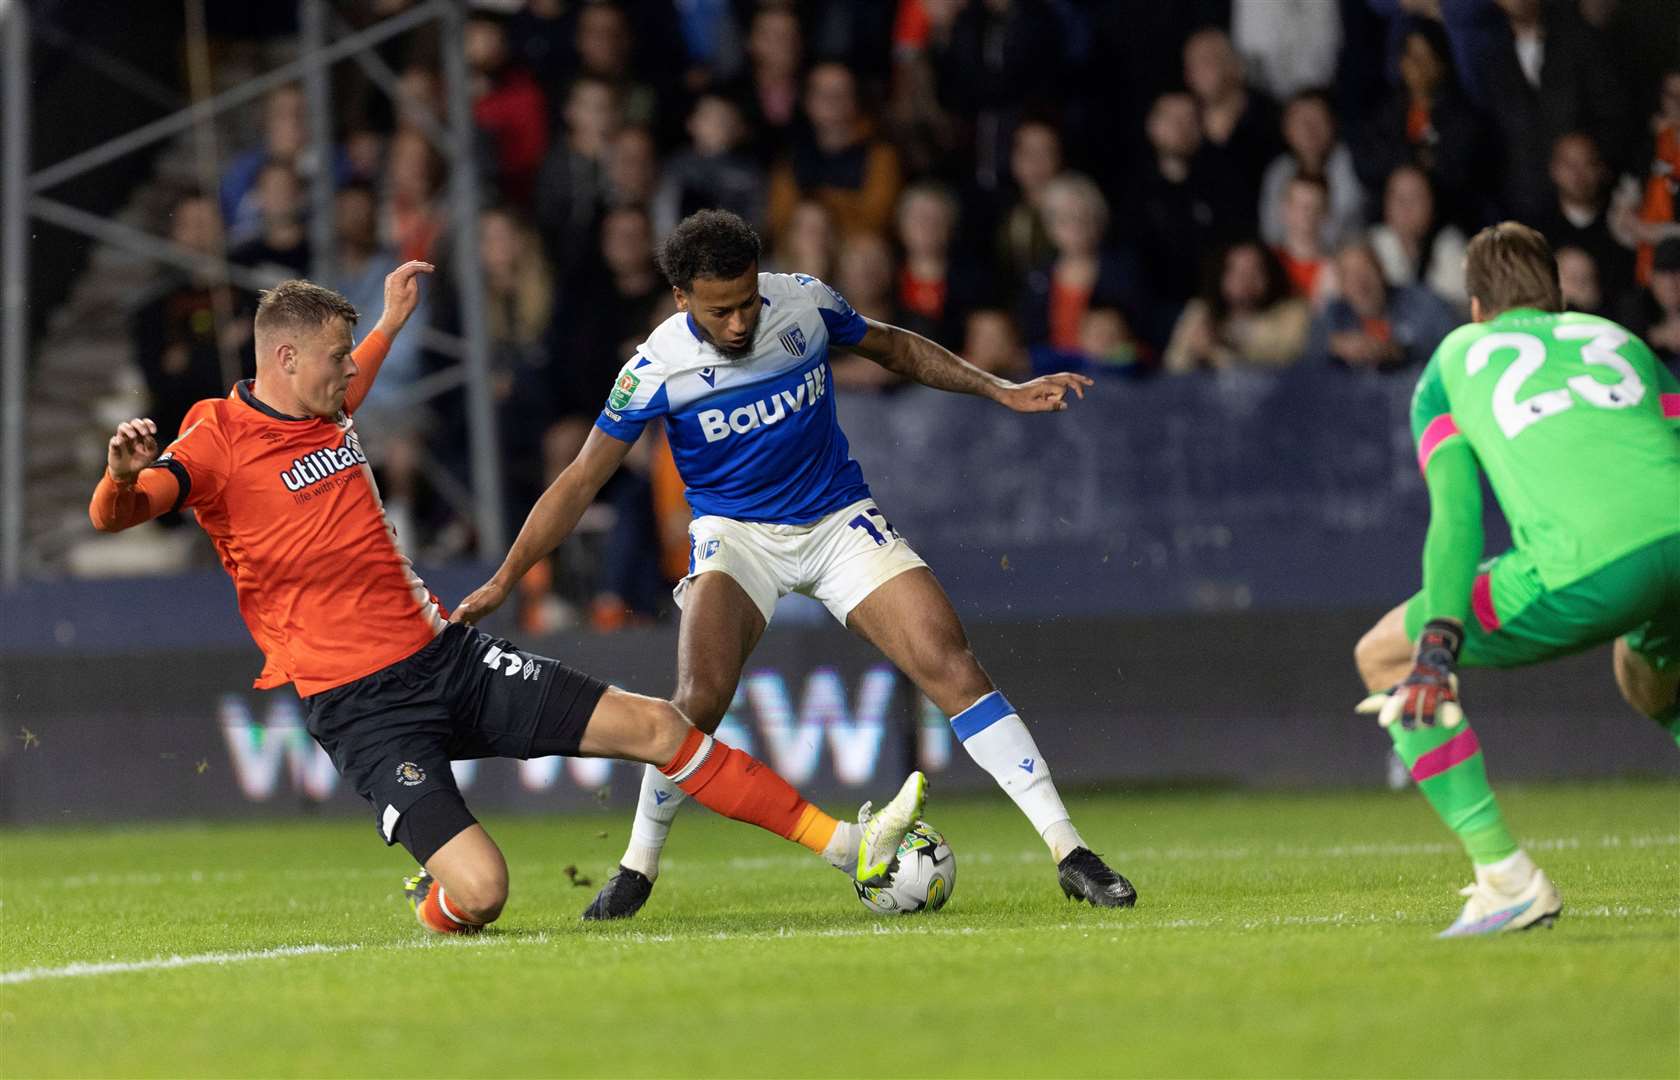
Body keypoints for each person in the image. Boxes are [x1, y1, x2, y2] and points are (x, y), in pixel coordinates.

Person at [87, 261, 928, 935]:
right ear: (286, 360)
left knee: (660, 726)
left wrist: (385, 325)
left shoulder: (329, 403)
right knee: (483, 894)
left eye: (351, 358)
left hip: (447, 655)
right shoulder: (214, 442)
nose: (352, 370)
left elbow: (356, 374)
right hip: (360, 706)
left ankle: (849, 848)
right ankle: (435, 898)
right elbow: (127, 509)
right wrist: (121, 478)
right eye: (338, 356)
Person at [452, 210, 1138, 919]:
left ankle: (1069, 849)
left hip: (838, 520)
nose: (741, 321)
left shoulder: (804, 302)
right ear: (682, 298)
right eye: (720, 310)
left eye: (748, 301)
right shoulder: (655, 368)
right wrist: (507, 576)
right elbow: (580, 480)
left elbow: (894, 347)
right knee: (699, 700)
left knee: (952, 664)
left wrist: (998, 387)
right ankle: (638, 865)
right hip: (737, 536)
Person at [1352, 222, 1680, 937]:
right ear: (1558, 299)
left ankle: (1506, 878)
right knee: (1644, 672)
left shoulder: (1453, 360)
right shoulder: (1618, 340)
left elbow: (1458, 518)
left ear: (1475, 308)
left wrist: (1438, 640)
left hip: (1587, 568)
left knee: (1383, 654)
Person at [1304, 241, 1457, 372]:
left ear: (1381, 270)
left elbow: (1457, 349)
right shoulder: (1335, 314)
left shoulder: (1423, 303)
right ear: (1341, 286)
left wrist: (1400, 352)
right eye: (1350, 276)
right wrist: (1335, 346)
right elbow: (1298, 351)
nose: (1360, 284)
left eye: (1366, 271)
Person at [1162, 240, 1310, 373]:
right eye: (1235, 270)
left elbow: (1273, 370)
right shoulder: (1202, 311)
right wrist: (1192, 352)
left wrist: (1215, 352)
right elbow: (1173, 365)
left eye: (1254, 270)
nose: (1245, 279)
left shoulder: (1292, 314)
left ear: (1270, 275)